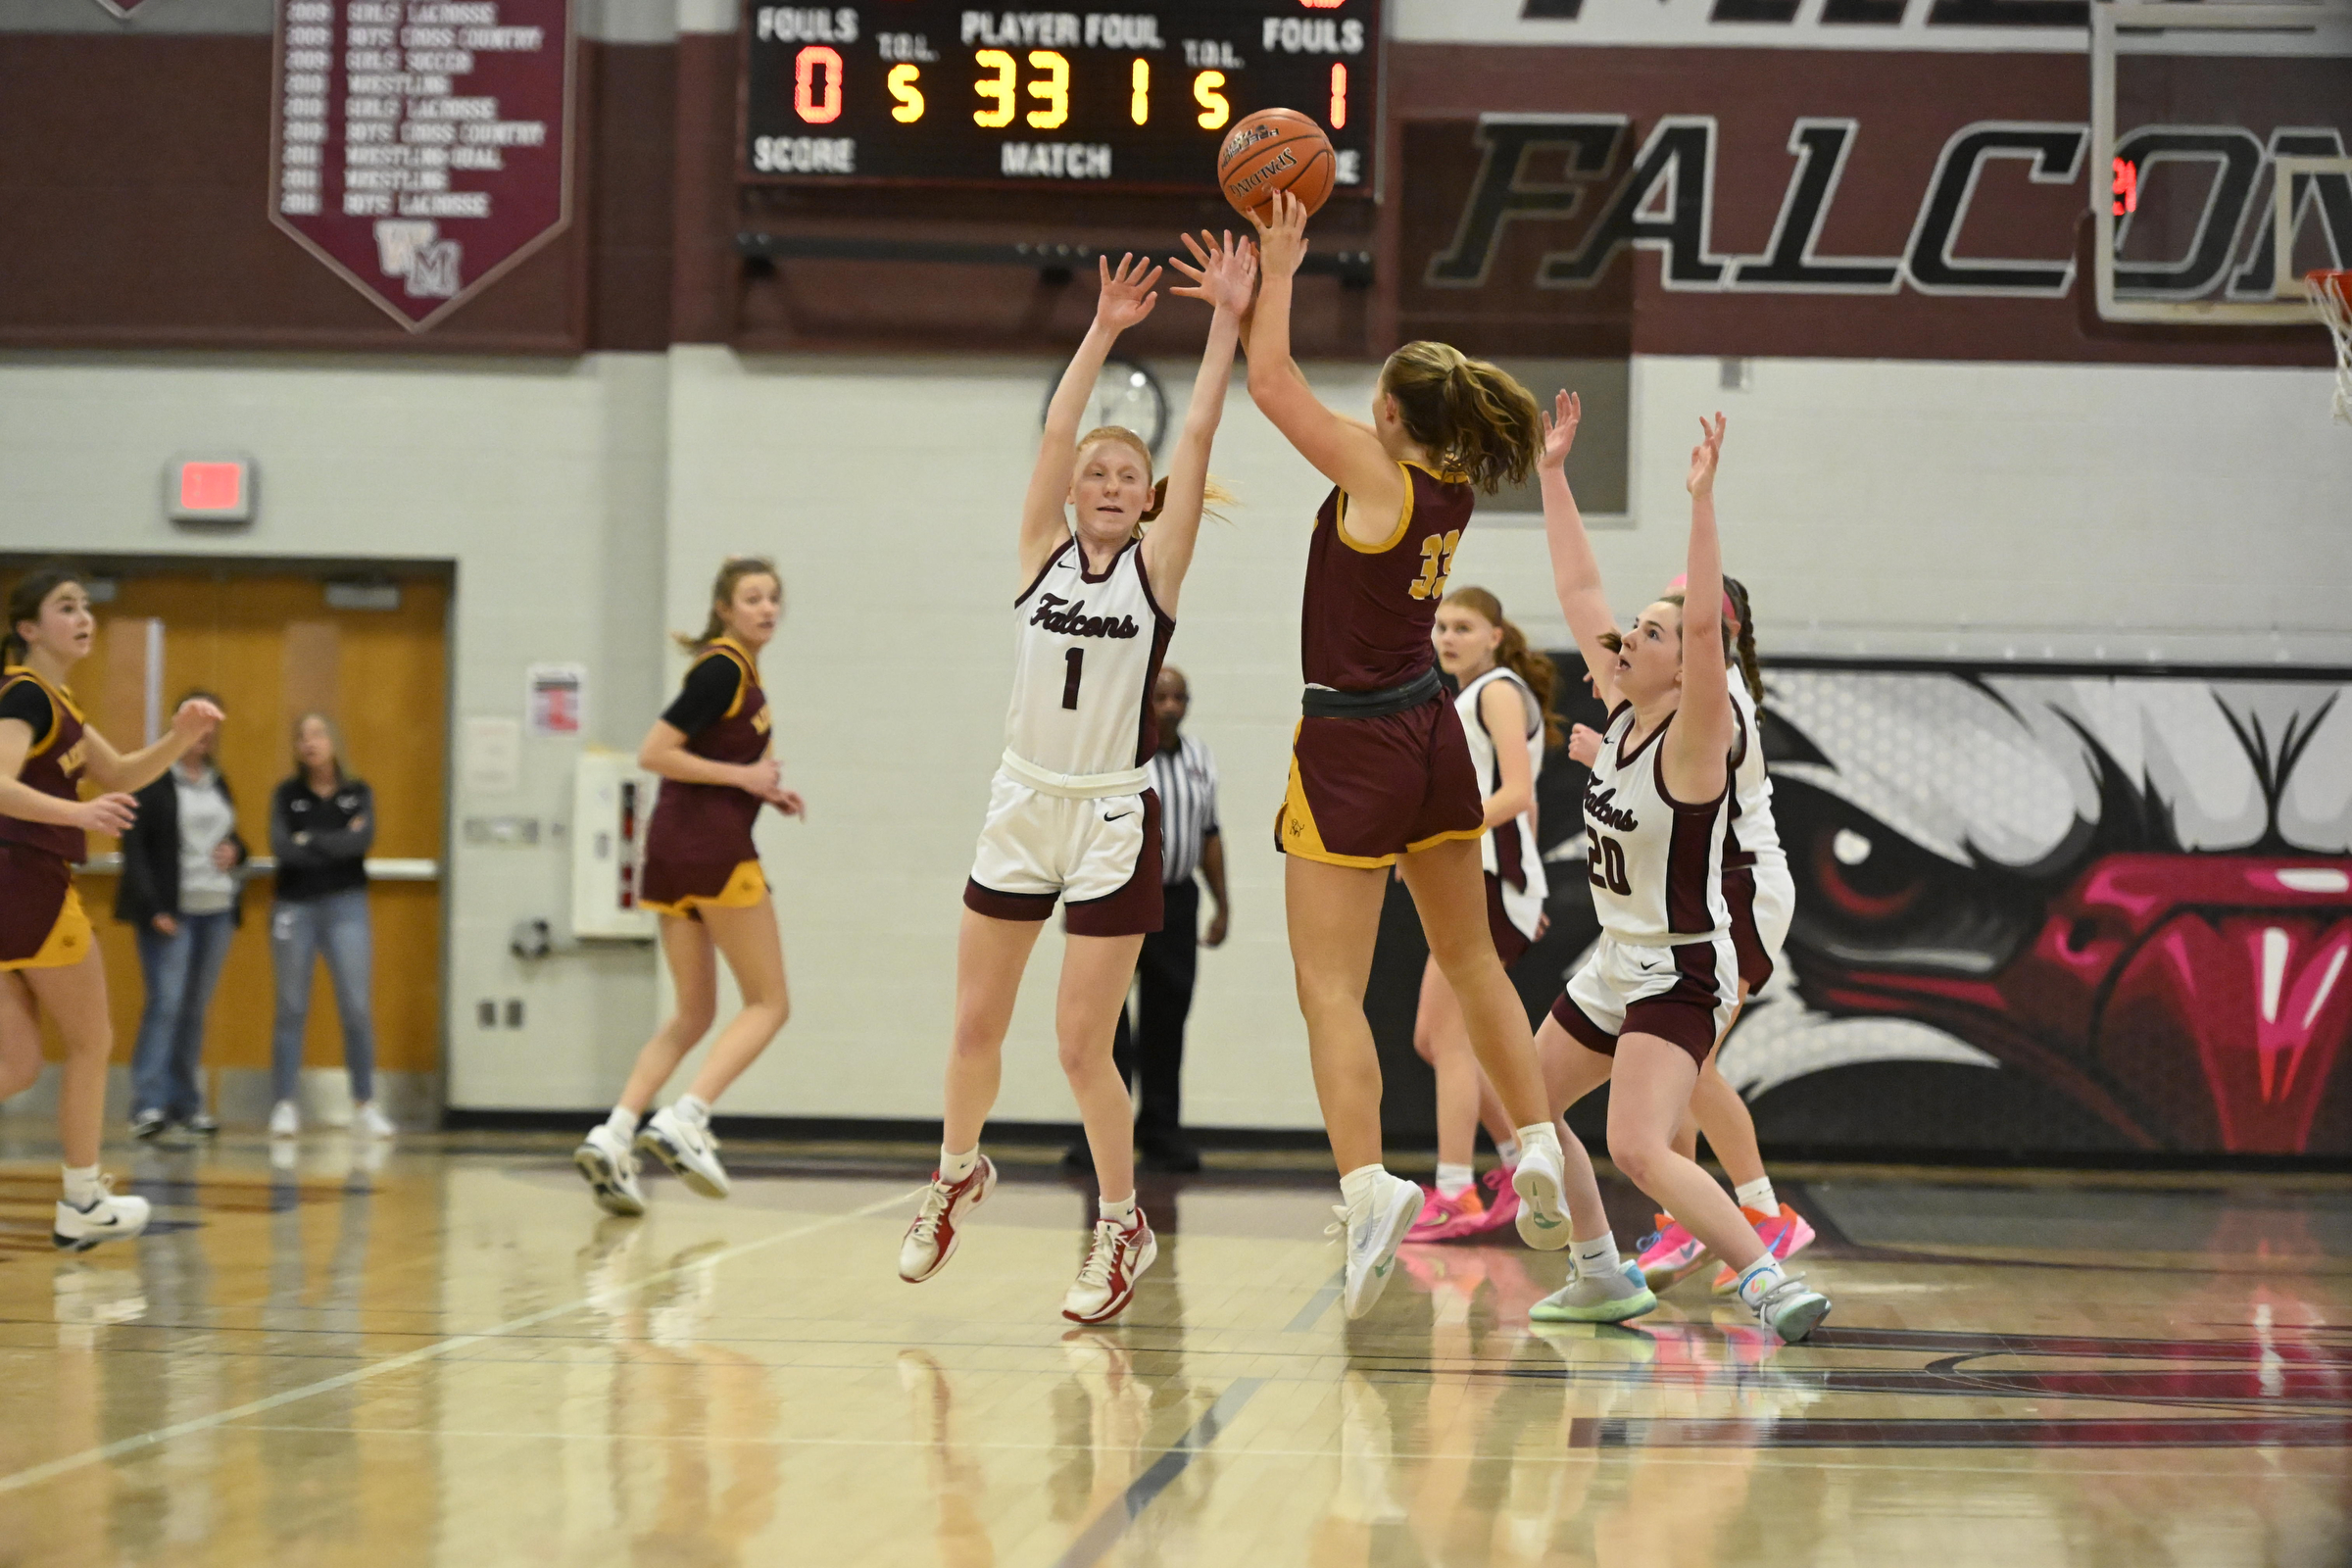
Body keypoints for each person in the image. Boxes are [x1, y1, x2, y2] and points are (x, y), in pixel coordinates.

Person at [1243, 190, 1595, 1323]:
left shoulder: (1377, 472)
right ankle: (1534, 1142)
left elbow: (1270, 383)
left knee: (1328, 987)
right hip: (1431, 731)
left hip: (1351, 739)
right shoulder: (1450, 485)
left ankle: (1368, 1187)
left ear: (1391, 409)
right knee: (1474, 959)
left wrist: (1278, 267)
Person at [899, 236, 1250, 1326]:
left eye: (1125, 476)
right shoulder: (1037, 557)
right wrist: (1101, 330)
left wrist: (1227, 321)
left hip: (1109, 814)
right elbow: (1058, 428)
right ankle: (956, 1173)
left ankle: (1121, 1222)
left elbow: (1199, 432)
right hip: (1022, 800)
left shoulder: (1156, 571)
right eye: (1094, 473)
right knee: (974, 1027)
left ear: (1147, 503)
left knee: (1079, 1046)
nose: (1106, 483)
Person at [1529, 391, 1831, 1342]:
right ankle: (1598, 1272)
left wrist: (1701, 504)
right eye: (1634, 630)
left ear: (1689, 663)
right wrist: (1552, 476)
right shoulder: (1623, 712)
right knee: (1527, 1101)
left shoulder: (1699, 738)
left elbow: (1705, 631)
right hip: (1617, 957)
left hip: (1680, 962)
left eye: (1651, 633)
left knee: (1638, 1146)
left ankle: (1766, 1276)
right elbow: (1579, 588)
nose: (1629, 637)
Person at [1567, 576, 1817, 1292]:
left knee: (1687, 1062)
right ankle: (1692, 1212)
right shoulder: (1669, 699)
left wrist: (1619, 731)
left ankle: (1759, 1212)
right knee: (1675, 1067)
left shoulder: (1716, 700)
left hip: (1738, 882)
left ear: (1711, 631)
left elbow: (1680, 779)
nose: (1647, 627)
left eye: (1672, 618)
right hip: (1700, 877)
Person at [572, 556, 806, 1214]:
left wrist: (763, 790)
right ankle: (688, 1115)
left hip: (673, 852)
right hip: (712, 853)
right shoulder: (721, 668)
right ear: (724, 609)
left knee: (693, 1012)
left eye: (773, 598)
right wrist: (745, 779)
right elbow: (655, 753)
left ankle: (615, 1133)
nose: (766, 608)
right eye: (752, 598)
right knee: (769, 1003)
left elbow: (709, 759)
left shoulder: (739, 670)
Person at [0, 566, 221, 1250]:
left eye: (86, 606)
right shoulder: (25, 695)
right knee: (92, 1041)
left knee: (17, 1066)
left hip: (14, 886)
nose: (83, 617)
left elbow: (121, 772)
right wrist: (78, 813)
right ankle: (83, 1200)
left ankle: (83, 1199)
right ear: (29, 628)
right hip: (29, 884)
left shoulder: (56, 702)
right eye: (66, 607)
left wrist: (180, 736)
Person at [1405, 588, 1559, 1242]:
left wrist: (1435, 836)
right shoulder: (1467, 696)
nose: (1447, 637)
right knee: (1434, 1038)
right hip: (1494, 878)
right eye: (1441, 626)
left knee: (1449, 1041)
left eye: (1463, 627)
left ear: (1496, 635)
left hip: (1488, 878)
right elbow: (1528, 807)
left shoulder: (1496, 690)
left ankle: (1454, 1191)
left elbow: (1518, 793)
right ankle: (1515, 1164)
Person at [1061, 662, 1229, 1176]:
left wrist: (1222, 903)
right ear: (1143, 702)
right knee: (1107, 1023)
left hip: (1176, 903)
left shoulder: (1200, 759)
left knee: (1167, 1020)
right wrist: (1076, 902)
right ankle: (1101, 1136)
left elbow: (1209, 834)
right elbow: (1082, 829)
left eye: (1180, 697)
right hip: (1116, 899)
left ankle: (1161, 1132)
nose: (1172, 706)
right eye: (1161, 697)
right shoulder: (1116, 755)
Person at [117, 688, 248, 1138]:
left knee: (194, 1009)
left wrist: (237, 851)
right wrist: (154, 907)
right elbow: (134, 848)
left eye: (211, 726)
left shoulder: (218, 781)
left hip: (217, 909)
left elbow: (231, 837)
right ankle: (148, 1104)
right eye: (195, 724)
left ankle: (185, 1103)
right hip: (172, 911)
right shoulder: (153, 778)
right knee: (166, 1005)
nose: (203, 734)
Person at [269, 713, 392, 1139]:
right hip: (294, 905)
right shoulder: (287, 794)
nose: (310, 743)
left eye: (318, 734)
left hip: (346, 905)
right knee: (291, 1006)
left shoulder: (358, 792)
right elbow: (283, 848)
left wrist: (311, 839)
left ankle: (365, 1104)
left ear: (334, 742)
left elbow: (361, 841)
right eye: (302, 737)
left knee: (356, 1007)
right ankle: (284, 1104)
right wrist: (334, 840)